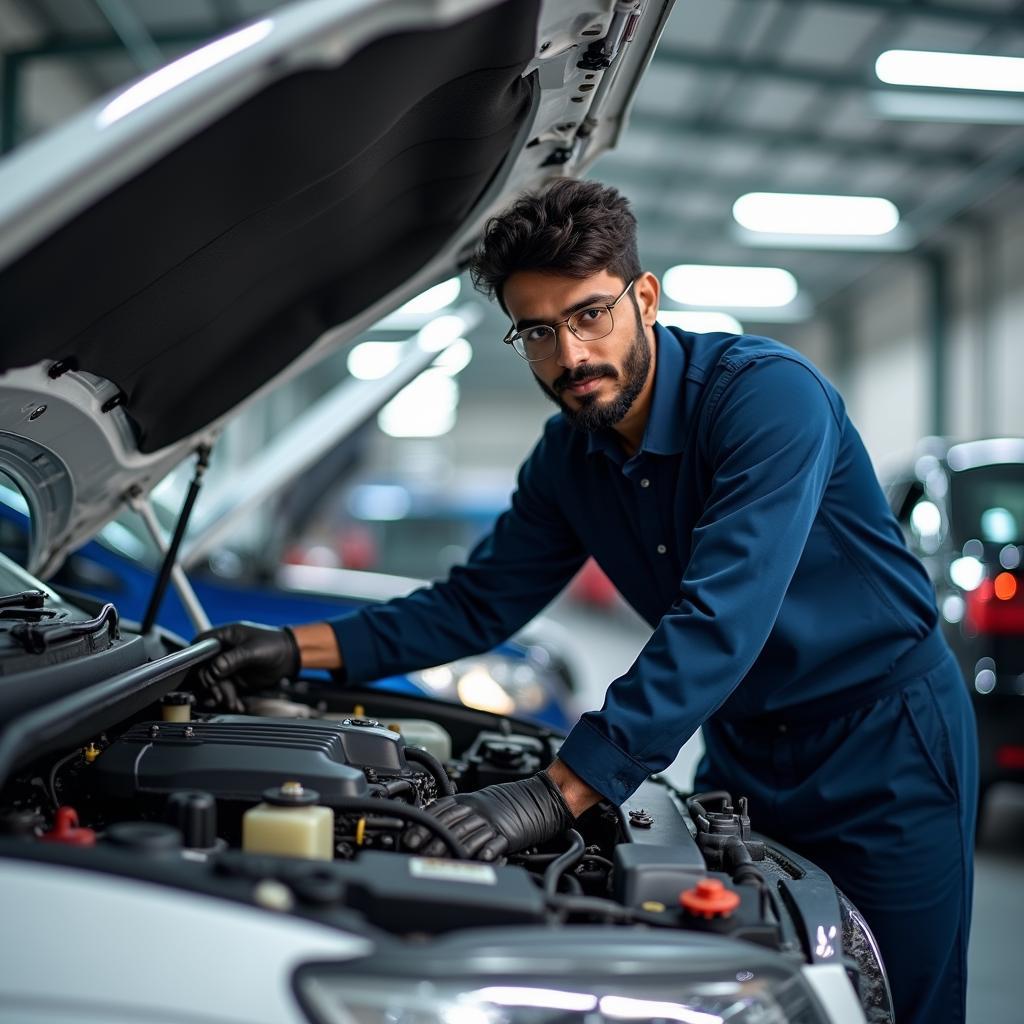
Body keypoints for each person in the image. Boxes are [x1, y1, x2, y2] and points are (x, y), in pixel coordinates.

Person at [200, 180, 976, 1024]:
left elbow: (724, 616)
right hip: (747, 748)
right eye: (538, 330)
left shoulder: (765, 399)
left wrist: (556, 792)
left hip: (884, 744)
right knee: (760, 988)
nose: (569, 355)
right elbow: (474, 606)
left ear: (644, 297)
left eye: (589, 315)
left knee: (900, 1000)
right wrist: (288, 647)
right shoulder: (567, 459)